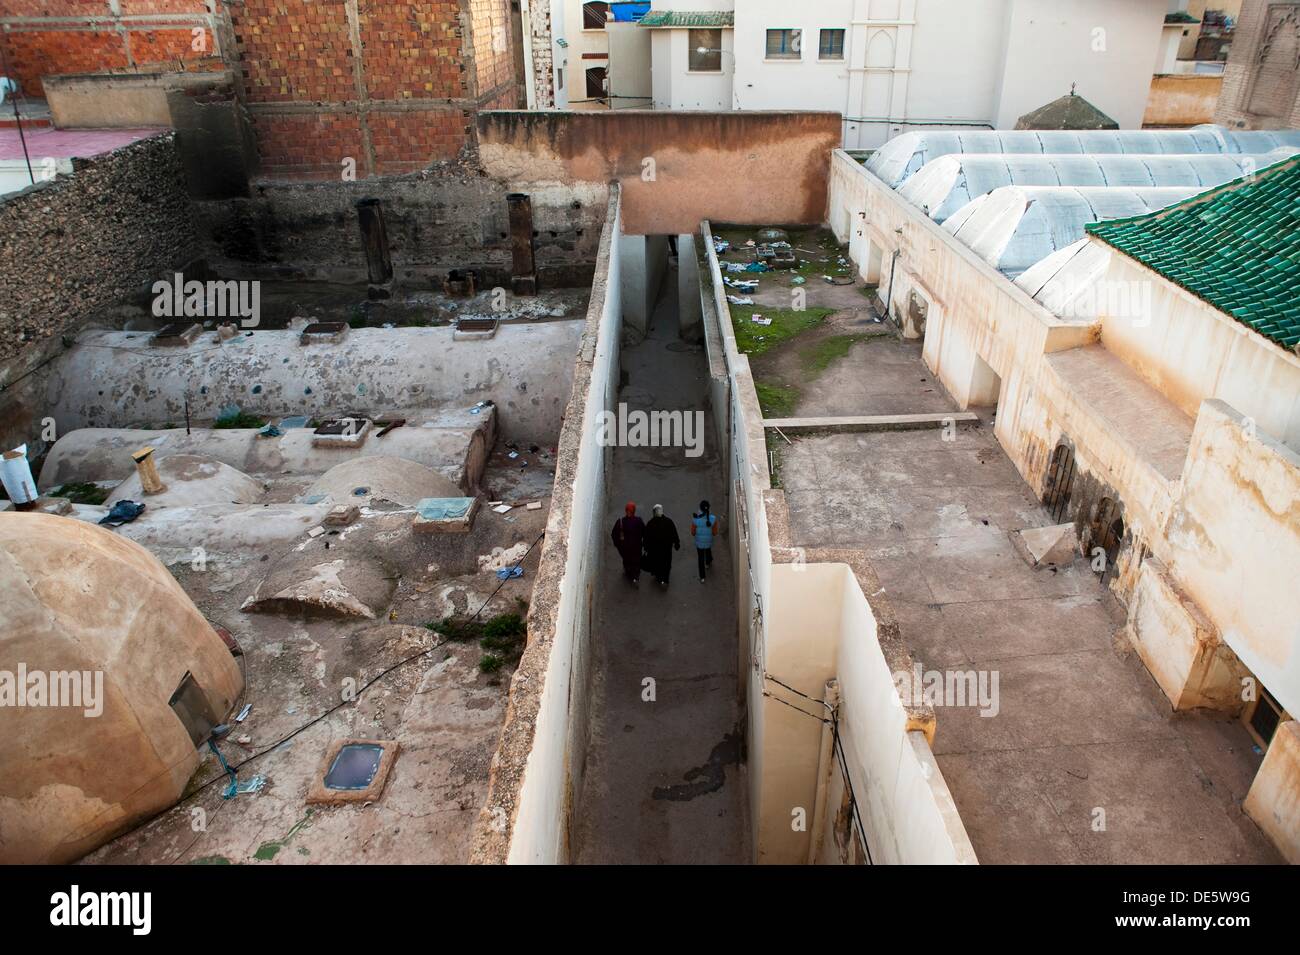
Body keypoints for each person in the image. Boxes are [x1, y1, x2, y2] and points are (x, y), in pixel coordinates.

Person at [641, 504, 681, 588]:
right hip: (666, 549)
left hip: (654, 550)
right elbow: (674, 533)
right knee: (666, 563)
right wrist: (677, 543)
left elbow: (646, 537)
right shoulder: (668, 522)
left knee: (656, 562)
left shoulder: (650, 523)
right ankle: (665, 579)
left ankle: (658, 576)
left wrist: (645, 547)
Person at [610, 501, 645, 586]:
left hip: (625, 549)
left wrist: (618, 545)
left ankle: (629, 573)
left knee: (627, 561)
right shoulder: (639, 521)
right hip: (636, 547)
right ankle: (635, 578)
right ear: (634, 511)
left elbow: (614, 534)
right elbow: (644, 532)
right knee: (636, 562)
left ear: (626, 510)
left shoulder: (620, 522)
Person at [691, 499, 719, 583]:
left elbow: (692, 533)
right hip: (709, 541)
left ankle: (702, 577)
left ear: (700, 509)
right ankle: (708, 562)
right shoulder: (713, 519)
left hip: (699, 543)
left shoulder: (695, 520)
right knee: (707, 549)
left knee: (700, 558)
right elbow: (715, 533)